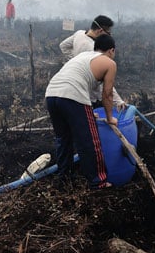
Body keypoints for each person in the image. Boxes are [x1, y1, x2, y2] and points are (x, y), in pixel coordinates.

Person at [44, 35, 118, 189]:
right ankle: (99, 182)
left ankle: (64, 179)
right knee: (90, 141)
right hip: (71, 96)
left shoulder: (84, 57)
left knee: (63, 139)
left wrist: (88, 113)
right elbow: (107, 94)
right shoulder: (109, 63)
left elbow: (84, 84)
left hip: (52, 94)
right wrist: (110, 118)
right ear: (111, 50)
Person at [59, 15, 125, 108]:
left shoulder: (79, 34)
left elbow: (63, 46)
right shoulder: (94, 49)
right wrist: (118, 101)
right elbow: (104, 81)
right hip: (91, 96)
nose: (109, 36)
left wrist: (74, 60)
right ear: (100, 31)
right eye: (108, 33)